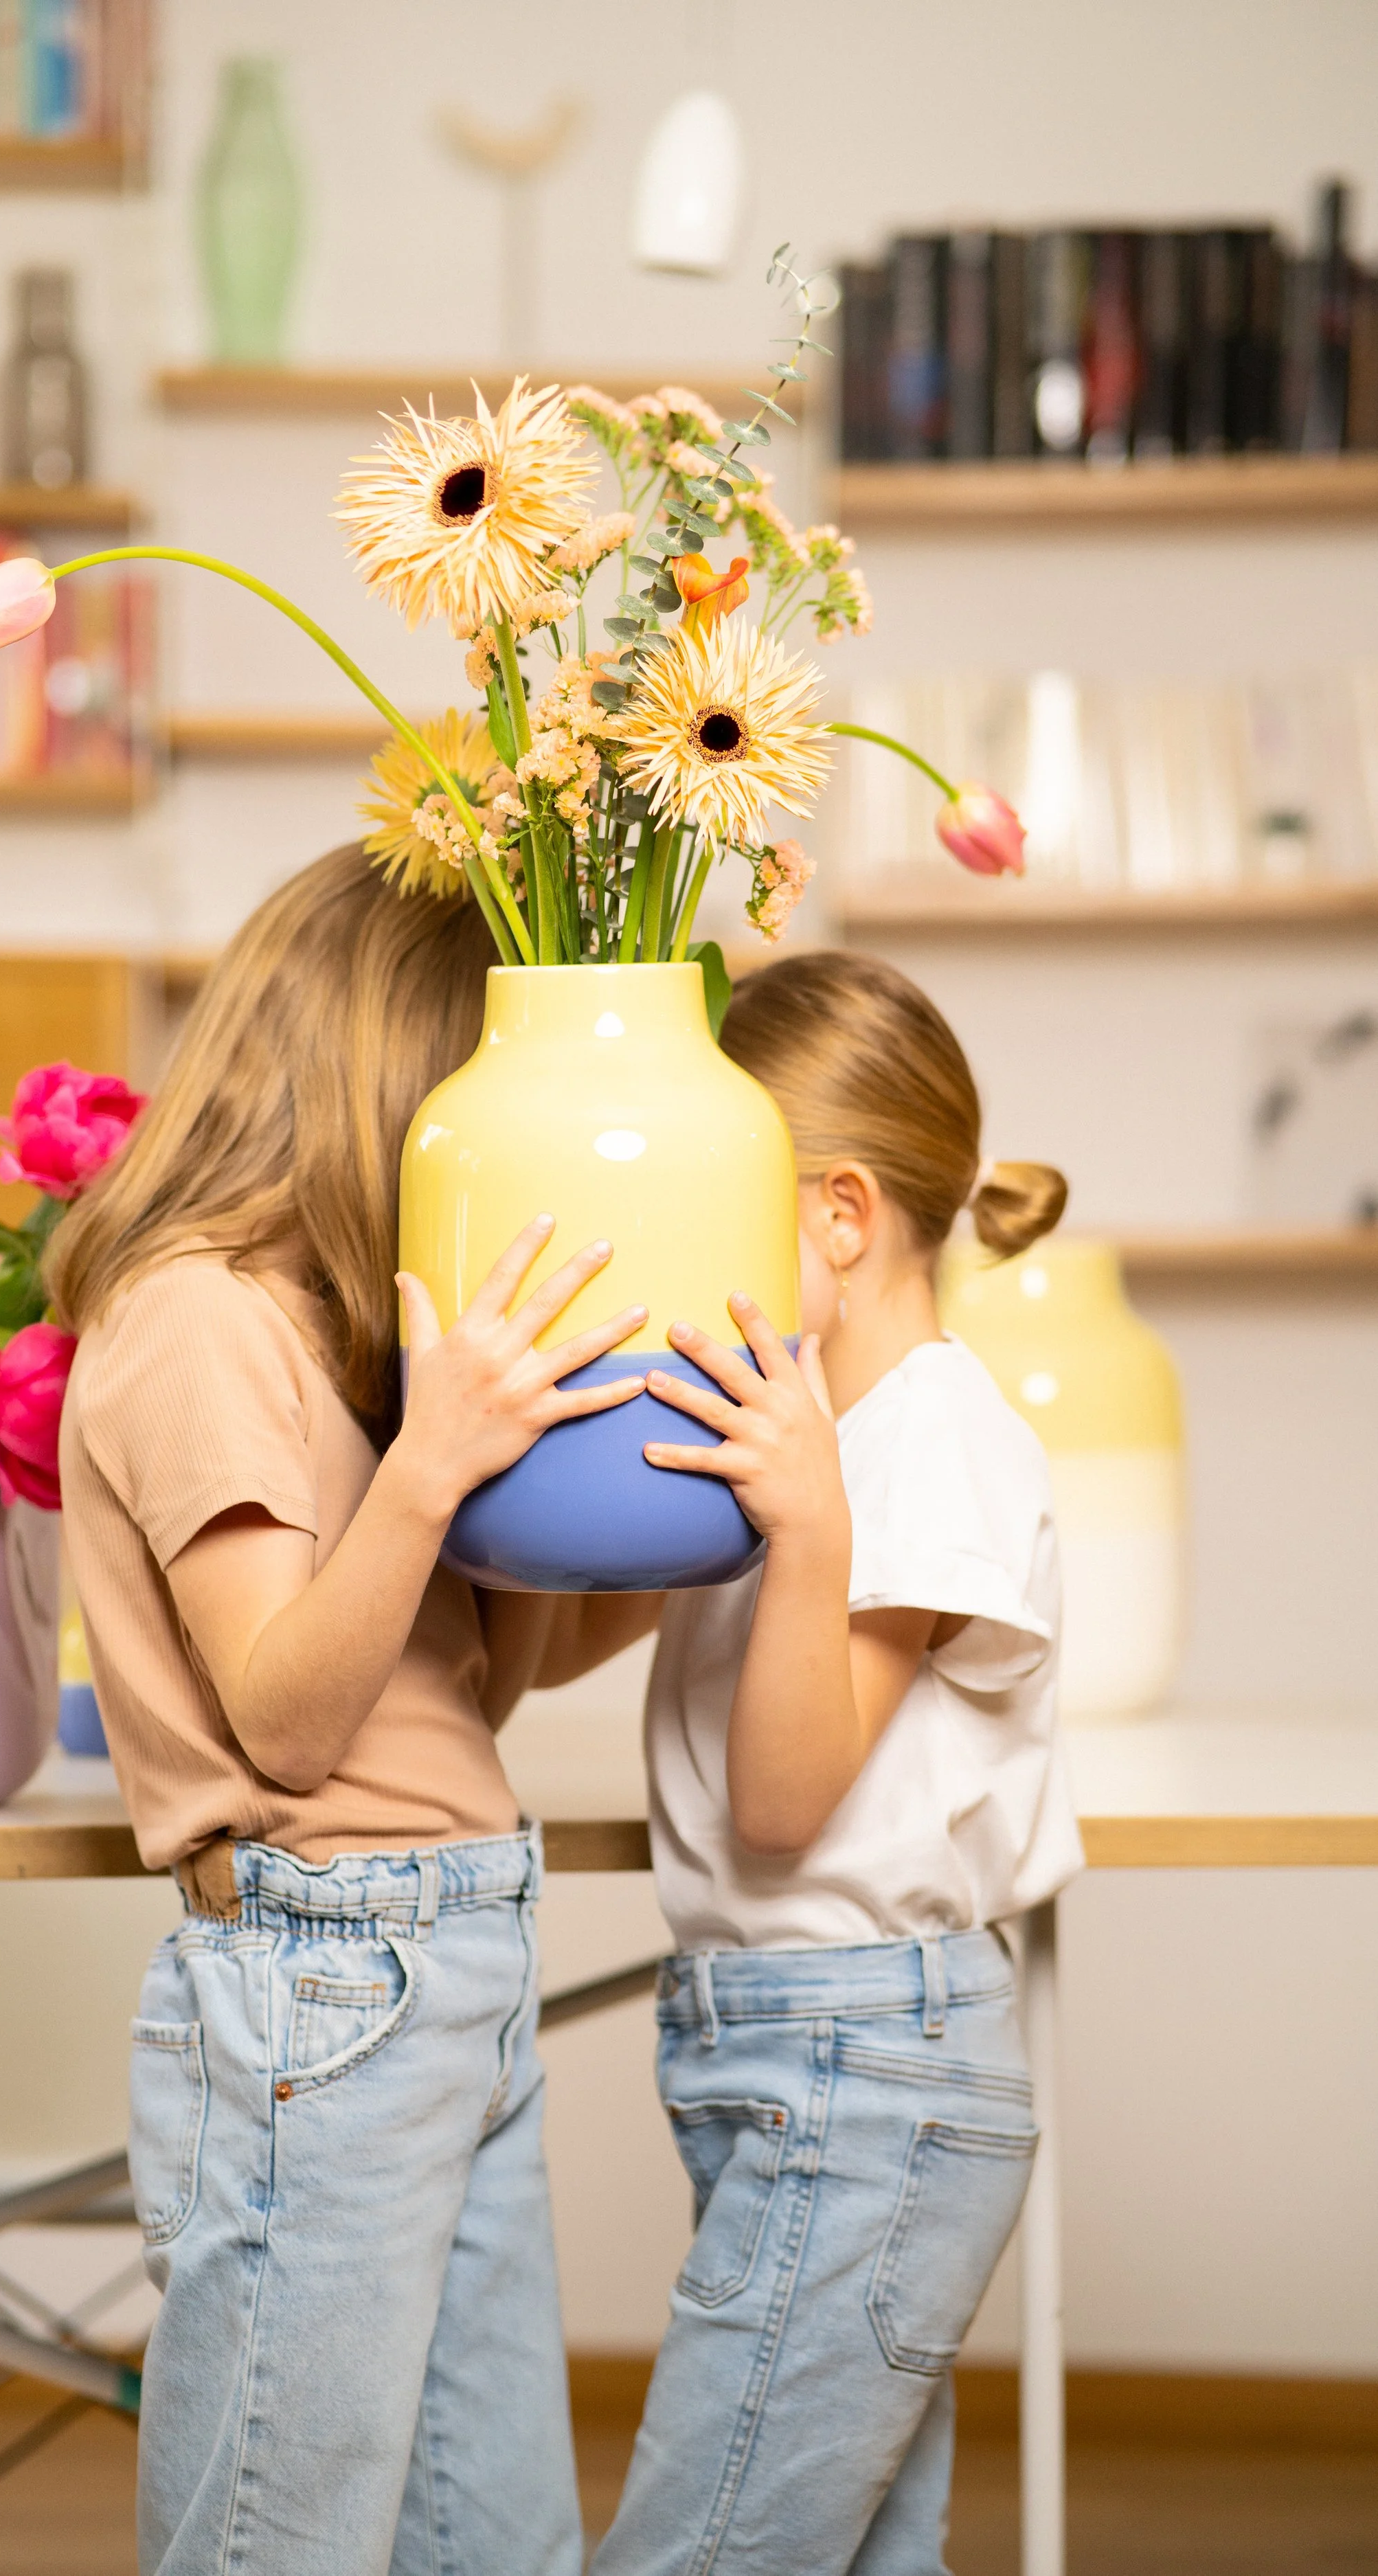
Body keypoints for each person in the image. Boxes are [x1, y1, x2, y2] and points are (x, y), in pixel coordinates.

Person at [49, 846, 649, 2576]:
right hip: (329, 1969)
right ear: (403, 1082)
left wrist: (667, 1505)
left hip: (448, 1950)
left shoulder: (340, 1337)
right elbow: (287, 1721)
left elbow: (470, 1689)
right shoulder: (196, 1319)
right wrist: (431, 1471)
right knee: (281, 2536)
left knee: (497, 2536)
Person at [593, 950, 1084, 2576]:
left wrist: (806, 1526)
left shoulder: (921, 1438)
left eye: (707, 1208)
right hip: (806, 2055)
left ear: (841, 1215)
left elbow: (784, 1802)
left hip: (861, 2067)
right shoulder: (828, 1436)